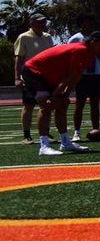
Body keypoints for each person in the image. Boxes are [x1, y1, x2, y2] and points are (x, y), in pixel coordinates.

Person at [22, 32, 100, 155]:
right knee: (46, 106)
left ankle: (65, 142)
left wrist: (65, 95)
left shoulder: (88, 53)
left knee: (62, 104)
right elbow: (70, 76)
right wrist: (54, 96)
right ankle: (44, 146)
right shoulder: (81, 50)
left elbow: (76, 76)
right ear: (93, 42)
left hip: (49, 75)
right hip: (35, 72)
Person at [14, 13, 54, 144]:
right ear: (31, 23)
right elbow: (19, 59)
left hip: (46, 76)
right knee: (29, 106)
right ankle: (27, 135)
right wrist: (17, 78)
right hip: (29, 76)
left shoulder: (48, 37)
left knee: (47, 105)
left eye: (43, 22)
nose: (42, 24)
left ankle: (45, 132)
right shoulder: (24, 37)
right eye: (39, 22)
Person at [67, 15, 100, 141]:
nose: (89, 25)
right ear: (81, 24)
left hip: (96, 74)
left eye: (91, 22)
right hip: (82, 74)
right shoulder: (75, 38)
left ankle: (96, 130)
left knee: (95, 104)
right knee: (80, 104)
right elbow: (70, 56)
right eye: (86, 23)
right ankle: (76, 132)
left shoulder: (98, 37)